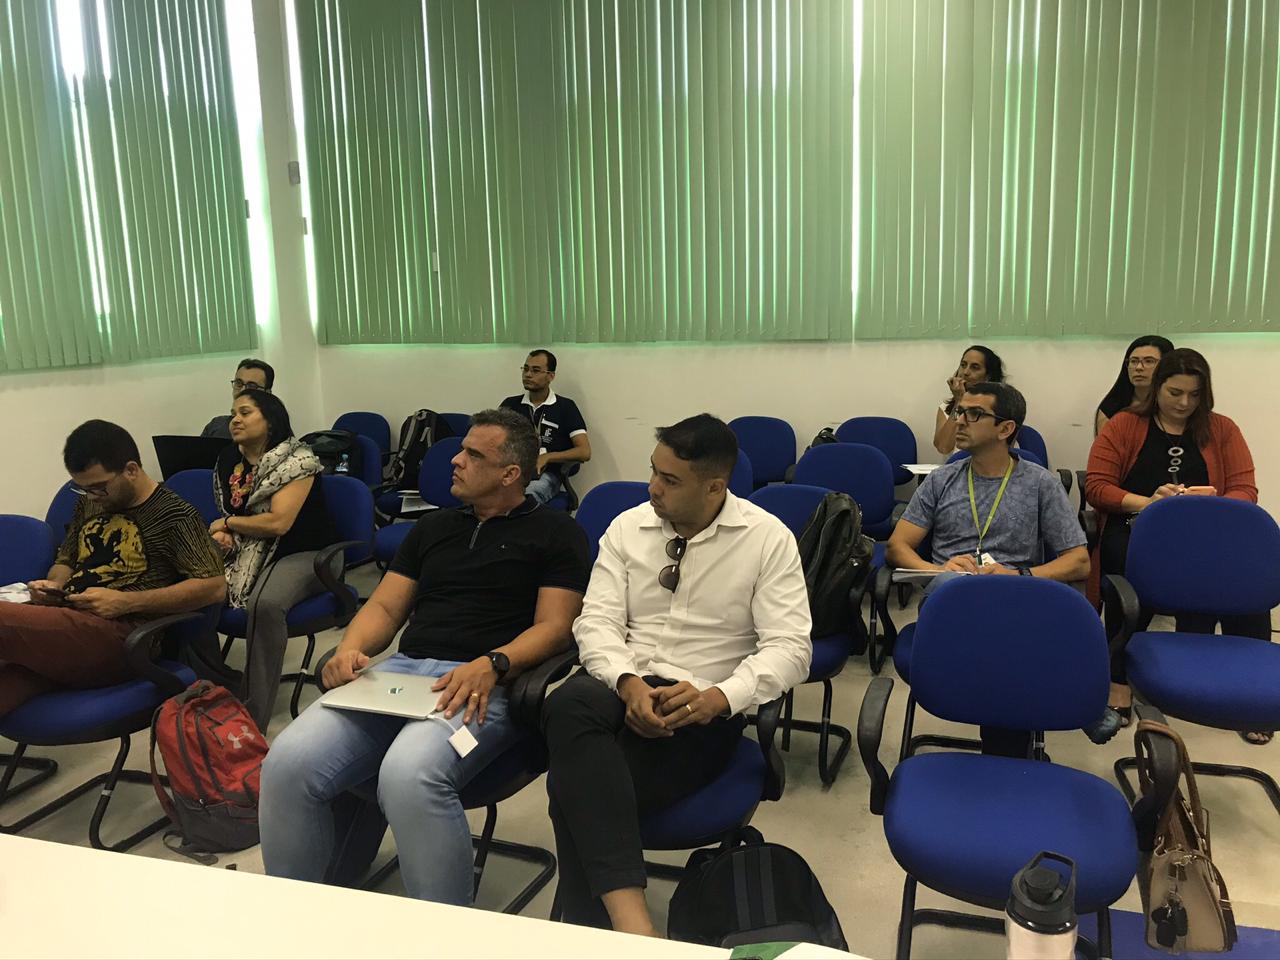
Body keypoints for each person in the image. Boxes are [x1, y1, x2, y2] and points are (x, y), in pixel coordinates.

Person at [259, 408, 590, 904]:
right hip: (403, 674)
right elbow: (385, 606)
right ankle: (297, 911)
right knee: (286, 763)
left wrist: (494, 663)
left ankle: (445, 930)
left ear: (510, 474)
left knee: (408, 776)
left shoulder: (556, 532)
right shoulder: (433, 528)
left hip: (485, 684)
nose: (454, 460)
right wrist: (350, 649)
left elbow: (555, 627)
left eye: (472, 455)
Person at [541, 414, 811, 936]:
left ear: (715, 487)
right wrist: (627, 683)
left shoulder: (765, 539)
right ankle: (633, 928)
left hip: (699, 703)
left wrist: (720, 697)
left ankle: (592, 930)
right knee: (567, 702)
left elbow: (791, 648)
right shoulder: (628, 526)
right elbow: (596, 621)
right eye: (653, 471)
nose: (652, 488)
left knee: (574, 791)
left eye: (669, 480)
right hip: (622, 682)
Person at [889, 382, 1090, 757]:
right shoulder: (941, 480)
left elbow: (1079, 560)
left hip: (1012, 599)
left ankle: (1005, 754)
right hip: (952, 598)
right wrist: (937, 568)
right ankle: (1022, 741)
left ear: (1005, 429)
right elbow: (898, 546)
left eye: (974, 414)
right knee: (1011, 648)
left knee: (1009, 635)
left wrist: (1019, 576)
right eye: (959, 412)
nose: (960, 421)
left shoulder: (1040, 483)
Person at [1085, 348, 1265, 740]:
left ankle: (1248, 685)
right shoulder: (1125, 424)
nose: (1184, 403)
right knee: (1121, 560)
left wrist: (1206, 502)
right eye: (1175, 393)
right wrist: (1148, 503)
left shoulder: (1222, 429)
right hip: (1137, 528)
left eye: (1194, 395)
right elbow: (1097, 486)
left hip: (1204, 532)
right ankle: (1118, 679)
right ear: (1157, 388)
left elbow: (1245, 490)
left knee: (1245, 576)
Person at [1, 421, 226, 716]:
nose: (92, 496)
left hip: (125, 638)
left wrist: (126, 602)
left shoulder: (175, 515)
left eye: (98, 488)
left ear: (131, 470)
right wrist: (54, 585)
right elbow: (66, 560)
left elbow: (214, 587)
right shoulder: (91, 503)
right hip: (69, 627)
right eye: (83, 489)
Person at [210, 390, 338, 731]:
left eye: (245, 412)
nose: (235, 420)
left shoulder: (297, 460)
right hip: (249, 548)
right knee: (194, 589)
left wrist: (228, 523)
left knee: (265, 604)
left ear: (270, 421)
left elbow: (279, 523)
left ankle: (251, 716)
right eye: (233, 413)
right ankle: (212, 683)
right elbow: (231, 511)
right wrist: (226, 532)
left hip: (306, 554)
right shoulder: (228, 458)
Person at [500, 349, 591, 504]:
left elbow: (584, 451)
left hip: (546, 474)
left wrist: (547, 457)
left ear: (551, 376)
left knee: (525, 498)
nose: (528, 375)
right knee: (482, 490)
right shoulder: (510, 404)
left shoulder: (565, 407)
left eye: (535, 370)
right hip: (511, 470)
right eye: (525, 369)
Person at [932, 345, 1006, 455]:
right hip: (956, 466)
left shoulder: (1001, 408)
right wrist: (959, 401)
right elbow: (943, 448)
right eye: (963, 365)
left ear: (988, 376)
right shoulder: (945, 408)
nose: (965, 372)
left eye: (975, 367)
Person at [1094, 336, 1175, 435]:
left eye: (1149, 361)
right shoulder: (1112, 407)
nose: (1139, 367)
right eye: (1134, 361)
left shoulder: (1178, 405)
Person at [201, 358, 274, 439]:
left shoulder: (277, 430)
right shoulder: (216, 426)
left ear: (267, 393)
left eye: (252, 386)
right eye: (239, 384)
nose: (242, 390)